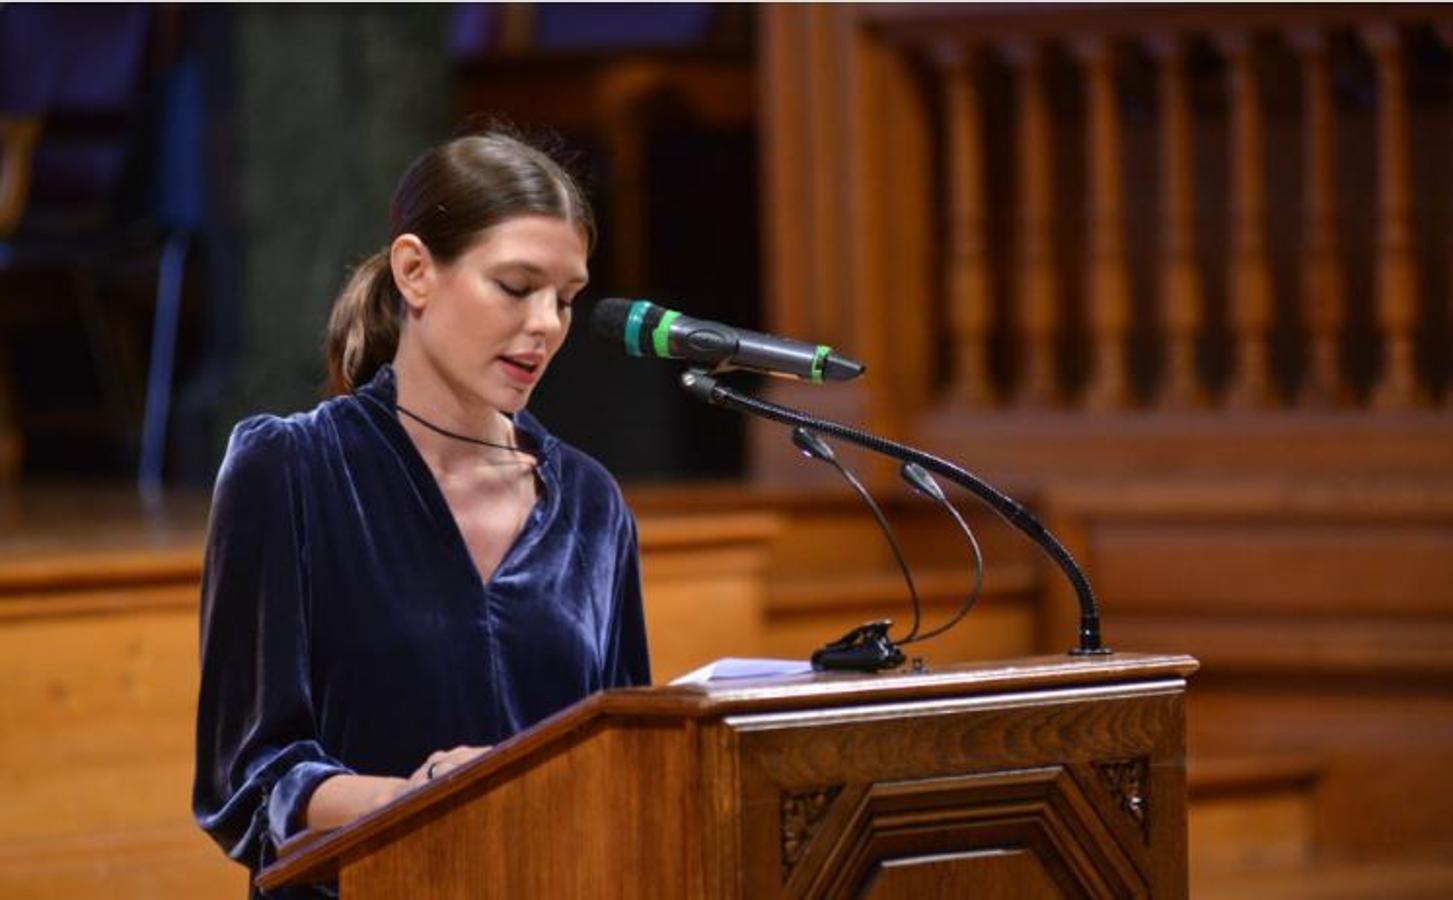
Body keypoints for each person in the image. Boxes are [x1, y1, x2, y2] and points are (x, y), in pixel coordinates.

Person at [192, 132, 651, 898]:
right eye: (515, 286)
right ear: (415, 272)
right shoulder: (290, 468)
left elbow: (626, 762)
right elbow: (247, 776)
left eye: (565, 299)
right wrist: (413, 798)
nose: (546, 324)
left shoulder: (592, 502)